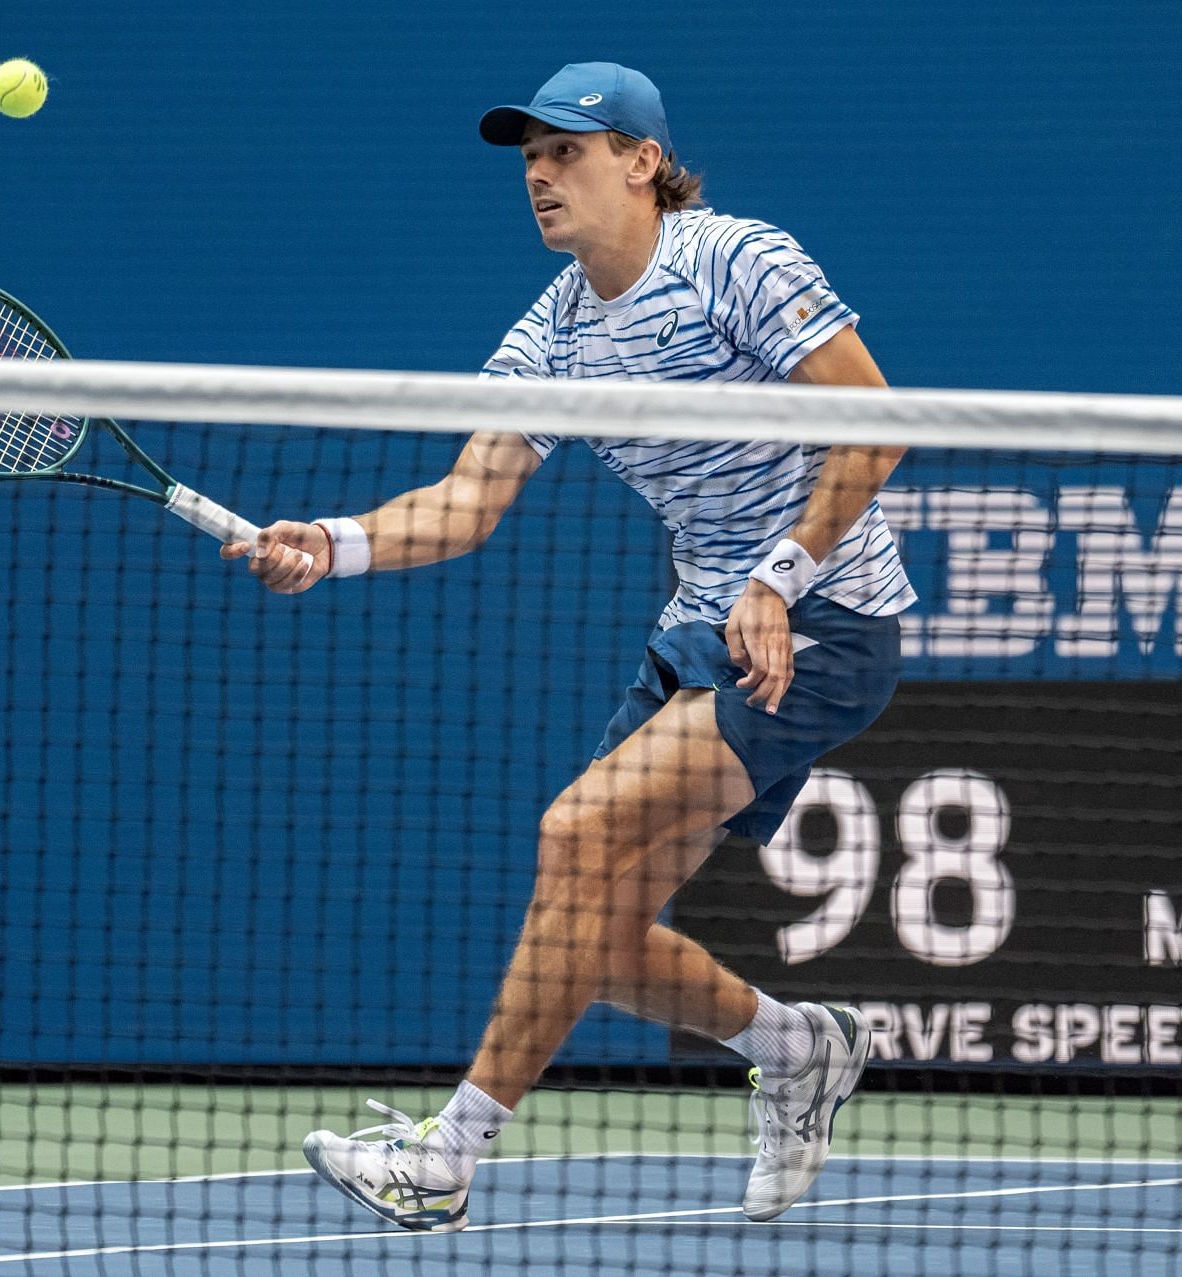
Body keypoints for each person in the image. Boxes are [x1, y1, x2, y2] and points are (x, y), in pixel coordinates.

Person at [223, 61, 913, 1233]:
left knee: (573, 829)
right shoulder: (552, 334)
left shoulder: (734, 259)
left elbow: (873, 417)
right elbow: (466, 498)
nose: (542, 177)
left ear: (643, 162)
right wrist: (330, 543)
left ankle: (444, 1157)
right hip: (700, 631)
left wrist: (778, 577)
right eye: (530, 159)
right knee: (599, 934)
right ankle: (801, 1043)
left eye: (569, 153)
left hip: (827, 622)